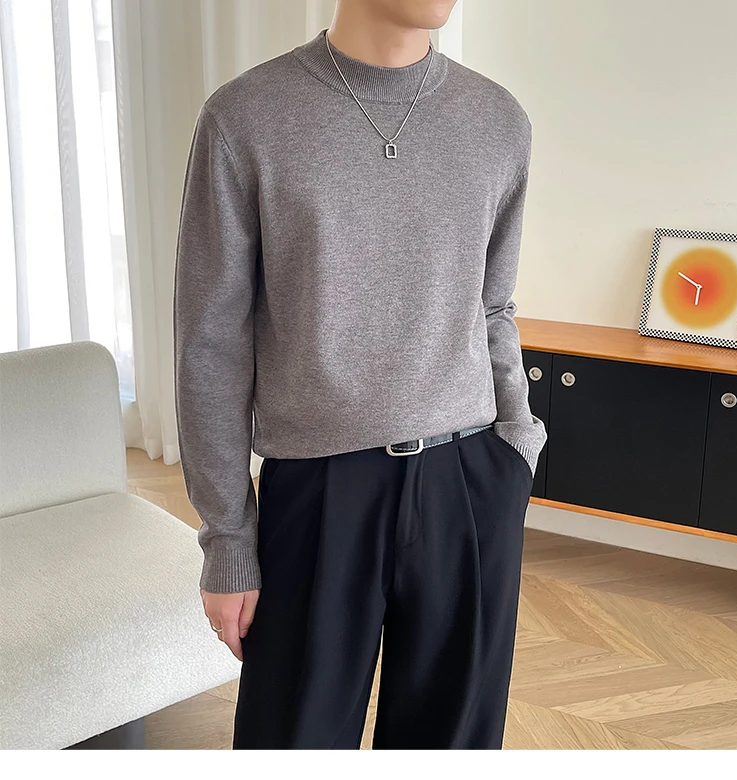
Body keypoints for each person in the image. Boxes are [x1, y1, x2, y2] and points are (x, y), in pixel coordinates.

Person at [173, 0, 548, 750]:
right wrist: (228, 538)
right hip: (318, 489)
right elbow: (211, 342)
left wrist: (516, 441)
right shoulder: (246, 118)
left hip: (470, 479)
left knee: (453, 745)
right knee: (293, 740)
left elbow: (493, 303)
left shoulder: (498, 119)